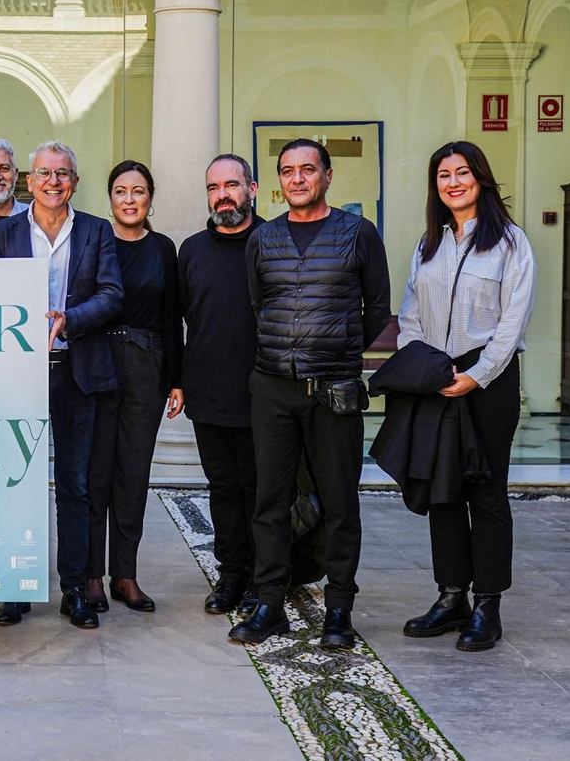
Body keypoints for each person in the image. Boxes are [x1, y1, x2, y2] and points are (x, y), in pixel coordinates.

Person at [235, 138, 390, 651]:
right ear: (278, 182)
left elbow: (377, 308)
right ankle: (269, 604)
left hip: (333, 391)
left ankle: (339, 610)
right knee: (270, 501)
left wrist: (338, 351)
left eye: (307, 169)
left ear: (327, 176)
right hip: (273, 388)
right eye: (288, 171)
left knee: (341, 503)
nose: (297, 178)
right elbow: (258, 305)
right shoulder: (263, 238)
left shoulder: (358, 233)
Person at [392, 141, 535, 652]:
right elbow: (410, 313)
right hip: (437, 376)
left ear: (481, 178)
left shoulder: (510, 243)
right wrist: (422, 367)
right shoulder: (428, 244)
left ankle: (487, 605)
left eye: (462, 173)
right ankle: (451, 597)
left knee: (487, 492)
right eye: (443, 175)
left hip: (488, 382)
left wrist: (477, 375)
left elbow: (513, 320)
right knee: (443, 491)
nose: (453, 183)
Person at [0, 140, 123, 630]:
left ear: (75, 182)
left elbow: (112, 294)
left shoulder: (96, 230)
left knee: (75, 485)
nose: (53, 181)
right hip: (18, 376)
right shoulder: (2, 234)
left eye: (62, 173)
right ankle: (14, 589)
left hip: (76, 370)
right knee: (15, 485)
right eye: (44, 173)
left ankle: (74, 589)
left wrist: (70, 320)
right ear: (29, 181)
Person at [84, 160, 179, 614]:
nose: (129, 199)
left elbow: (172, 315)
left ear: (149, 199)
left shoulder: (162, 248)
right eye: (120, 191)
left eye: (138, 191)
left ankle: (125, 574)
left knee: (133, 474)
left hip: (147, 367)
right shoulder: (93, 241)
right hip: (98, 364)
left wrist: (176, 378)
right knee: (96, 473)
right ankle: (90, 575)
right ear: (110, 198)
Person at [173, 153, 264, 618]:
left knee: (262, 491)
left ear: (252, 189)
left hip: (266, 394)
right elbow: (182, 317)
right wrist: (179, 381)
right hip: (209, 391)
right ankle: (232, 574)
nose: (222, 195)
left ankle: (266, 578)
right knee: (223, 488)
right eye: (213, 187)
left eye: (231, 185)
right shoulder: (192, 250)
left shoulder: (274, 241)